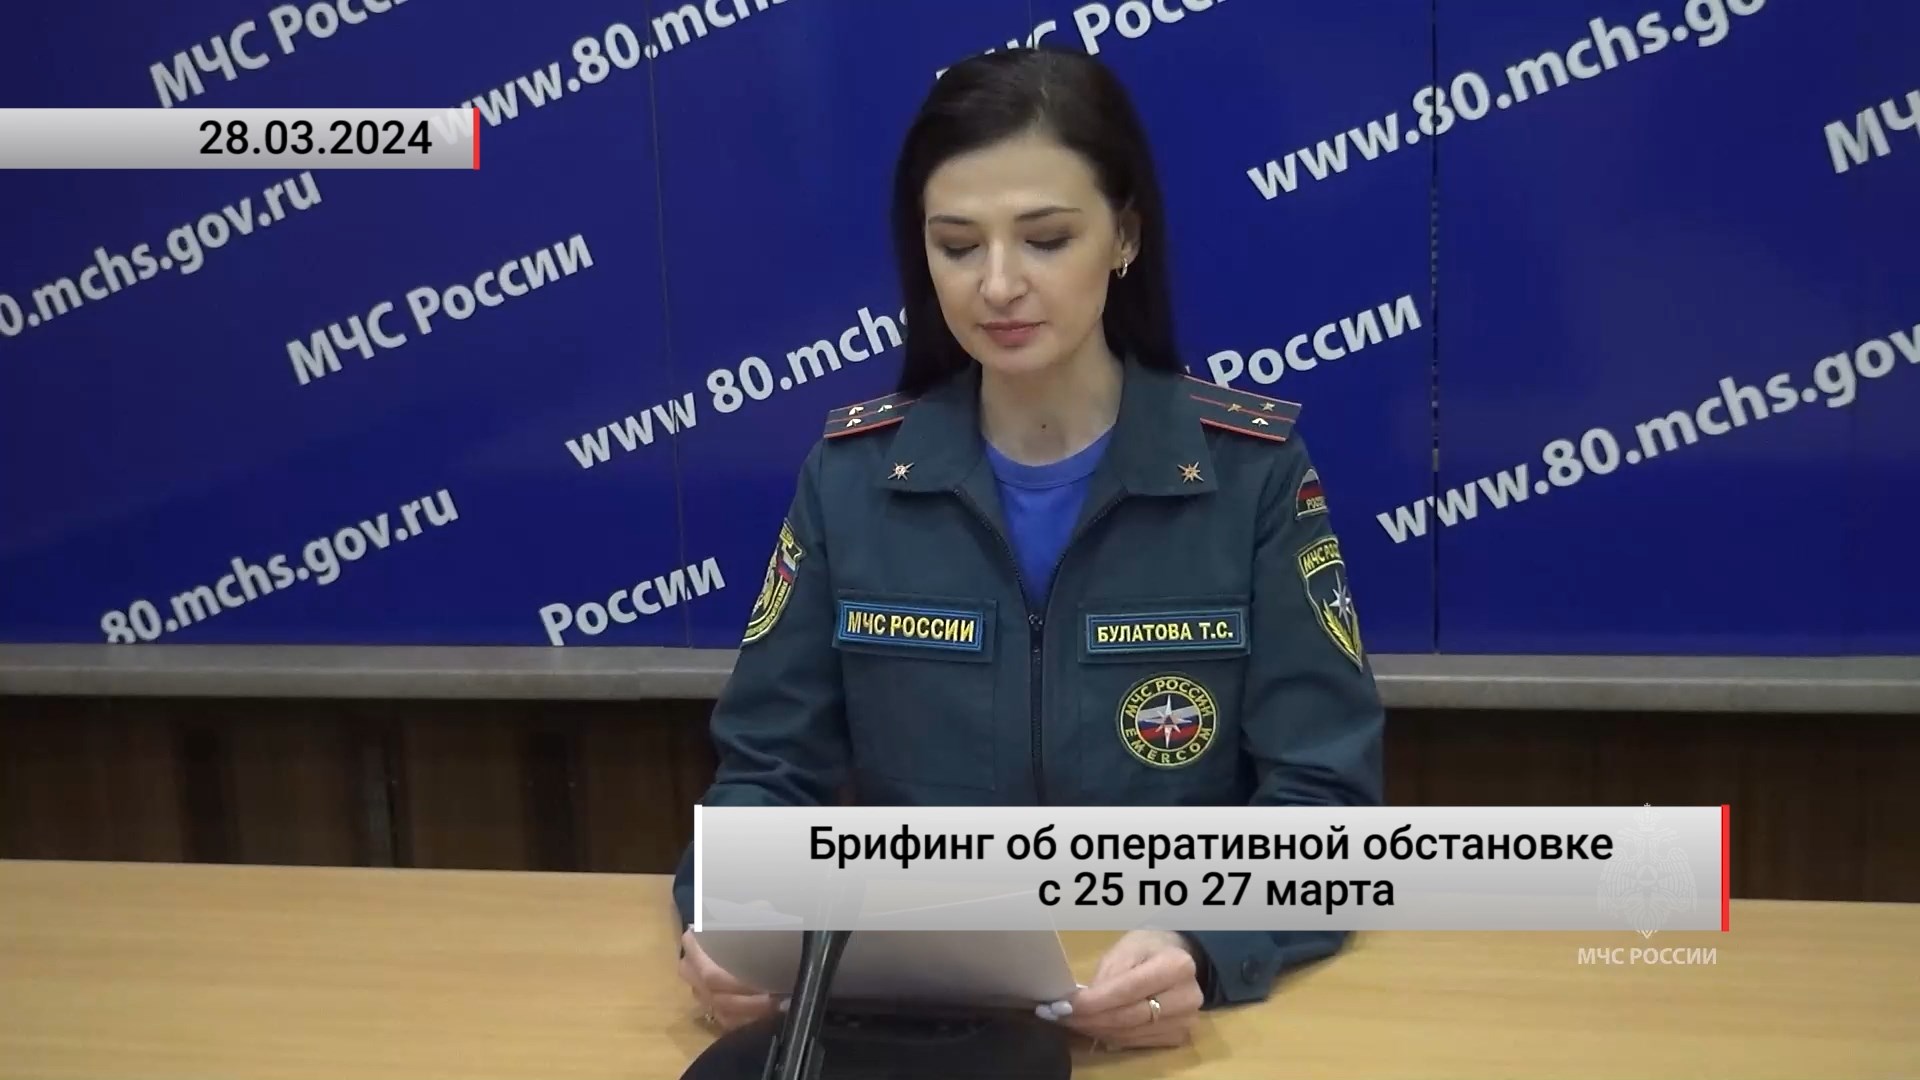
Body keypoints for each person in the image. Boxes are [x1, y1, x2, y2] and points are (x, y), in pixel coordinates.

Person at [672, 46, 1383, 1052]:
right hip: (921, 1021)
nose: (998, 284)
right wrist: (728, 917)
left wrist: (1202, 941)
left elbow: (1325, 803)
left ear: (1124, 235)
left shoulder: (1250, 474)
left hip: (1163, 1013)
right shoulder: (852, 477)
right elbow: (765, 773)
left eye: (1046, 239)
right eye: (957, 246)